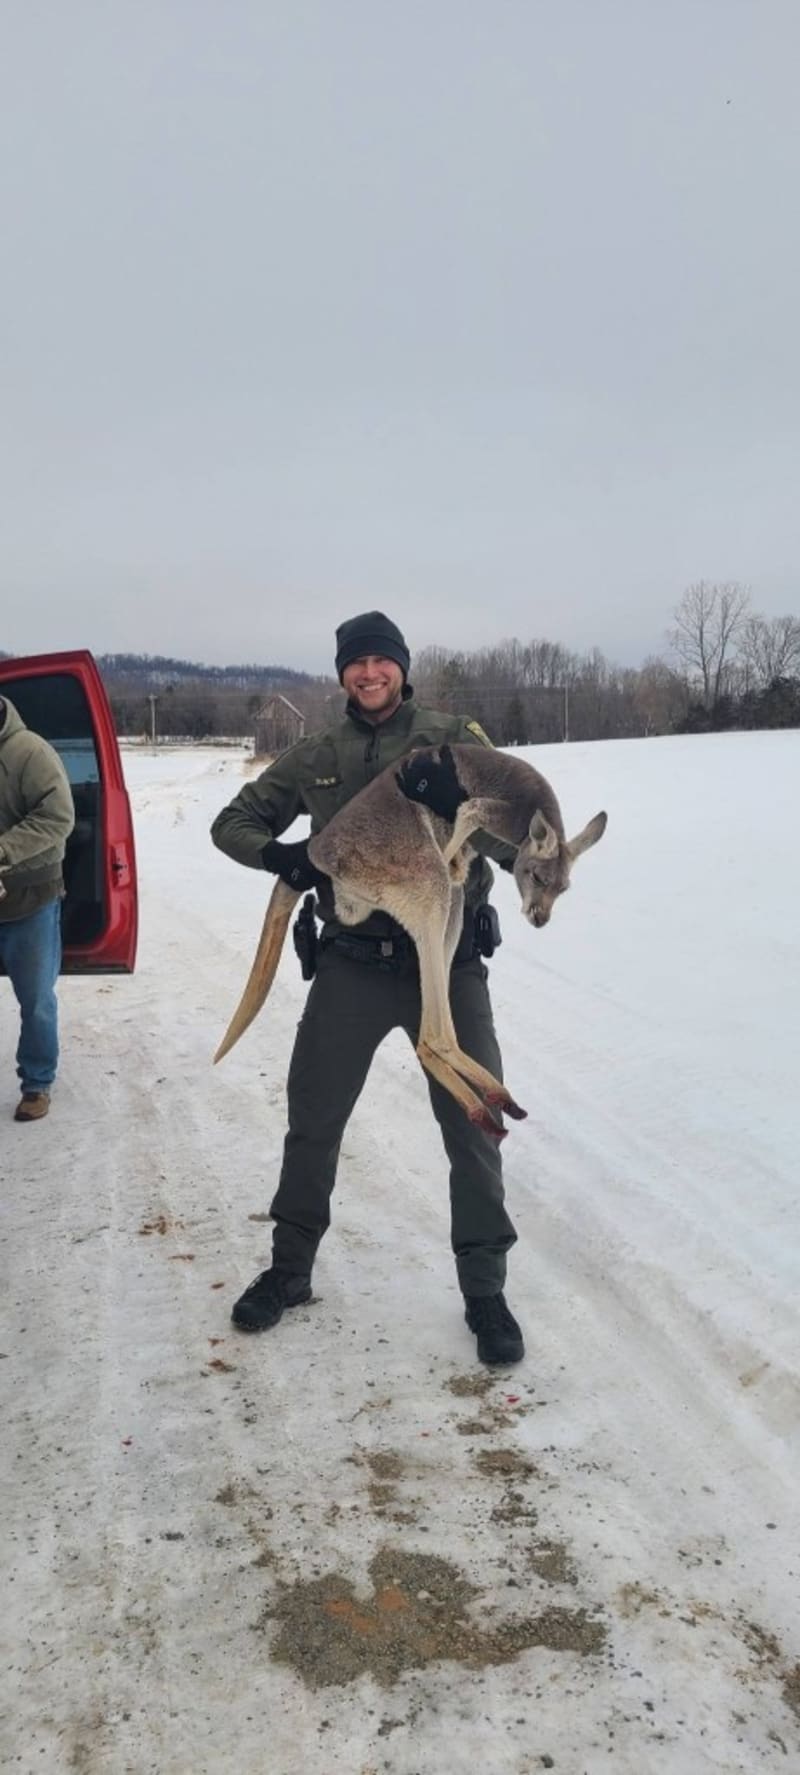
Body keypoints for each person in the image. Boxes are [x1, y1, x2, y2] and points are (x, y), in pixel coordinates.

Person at [211, 612, 524, 1364]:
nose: (369, 673)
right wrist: (281, 859)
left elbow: (514, 842)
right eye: (356, 664)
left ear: (402, 668)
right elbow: (233, 821)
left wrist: (468, 807)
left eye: (382, 661)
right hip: (351, 962)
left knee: (474, 1126)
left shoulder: (454, 735)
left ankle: (485, 1290)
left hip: (445, 965)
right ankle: (289, 1272)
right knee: (313, 1116)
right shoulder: (318, 753)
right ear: (342, 674)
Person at [0, 696, 75, 1122]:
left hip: (30, 899)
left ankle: (37, 1083)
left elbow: (58, 817)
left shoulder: (30, 752)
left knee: (36, 1000)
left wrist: (3, 851)